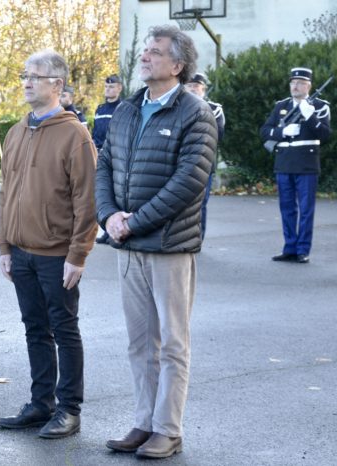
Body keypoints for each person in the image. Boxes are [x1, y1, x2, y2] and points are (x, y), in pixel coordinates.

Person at [95, 25, 216, 459]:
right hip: (128, 247)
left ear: (178, 65)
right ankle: (143, 423)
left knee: (172, 343)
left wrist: (134, 222)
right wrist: (108, 216)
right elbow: (104, 166)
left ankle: (168, 428)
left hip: (169, 247)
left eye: (155, 52)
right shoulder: (127, 110)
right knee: (140, 342)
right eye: (144, 51)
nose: (144, 57)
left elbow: (189, 182)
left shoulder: (195, 113)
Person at [0, 50, 97, 439]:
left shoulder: (75, 134)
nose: (26, 82)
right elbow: (7, 193)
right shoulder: (17, 131)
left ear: (56, 85)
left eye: (34, 76)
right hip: (21, 253)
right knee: (34, 329)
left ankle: (69, 409)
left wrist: (78, 254)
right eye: (24, 75)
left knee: (64, 329)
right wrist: (5, 246)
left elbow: (86, 200)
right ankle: (42, 404)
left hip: (57, 256)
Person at [260, 67, 331, 264]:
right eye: (293, 82)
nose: (295, 86)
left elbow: (325, 135)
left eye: (300, 83)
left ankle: (303, 250)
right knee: (287, 208)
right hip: (284, 163)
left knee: (307, 210)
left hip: (307, 164)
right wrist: (282, 132)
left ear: (309, 86)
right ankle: (290, 247)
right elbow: (265, 131)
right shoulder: (280, 106)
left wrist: (310, 117)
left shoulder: (319, 106)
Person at [185, 72, 225, 240]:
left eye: (196, 86)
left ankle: (197, 237)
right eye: (190, 85)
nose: (193, 89)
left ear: (203, 89)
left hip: (203, 162)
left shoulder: (214, 109)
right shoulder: (177, 107)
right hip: (181, 162)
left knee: (200, 203)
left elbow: (217, 134)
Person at [93, 74, 123, 244]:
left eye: (111, 87)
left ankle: (115, 230)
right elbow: (96, 132)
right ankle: (106, 229)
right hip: (100, 153)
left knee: (116, 193)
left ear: (119, 88)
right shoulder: (100, 109)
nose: (108, 90)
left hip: (116, 154)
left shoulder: (123, 107)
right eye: (106, 87)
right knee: (104, 192)